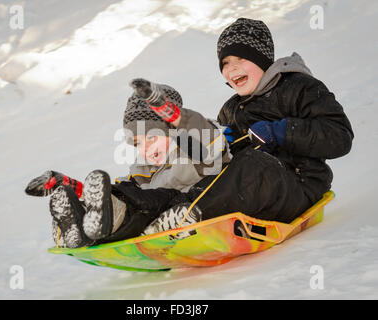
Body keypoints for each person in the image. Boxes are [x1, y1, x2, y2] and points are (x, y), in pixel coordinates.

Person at [151, 17, 354, 228]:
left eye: (241, 58)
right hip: (249, 197)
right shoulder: (230, 109)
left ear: (261, 59)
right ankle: (159, 215)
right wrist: (221, 146)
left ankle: (190, 217)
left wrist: (280, 132)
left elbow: (339, 136)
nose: (232, 69)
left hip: (298, 186)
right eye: (225, 63)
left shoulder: (298, 87)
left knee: (254, 163)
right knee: (196, 173)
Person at [25, 79, 231, 248]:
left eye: (151, 137)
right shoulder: (144, 168)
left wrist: (168, 111)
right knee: (126, 191)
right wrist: (70, 185)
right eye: (137, 143)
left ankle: (104, 220)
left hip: (196, 206)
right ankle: (79, 222)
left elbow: (207, 138)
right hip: (151, 214)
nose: (145, 149)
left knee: (150, 199)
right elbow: (126, 189)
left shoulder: (195, 149)